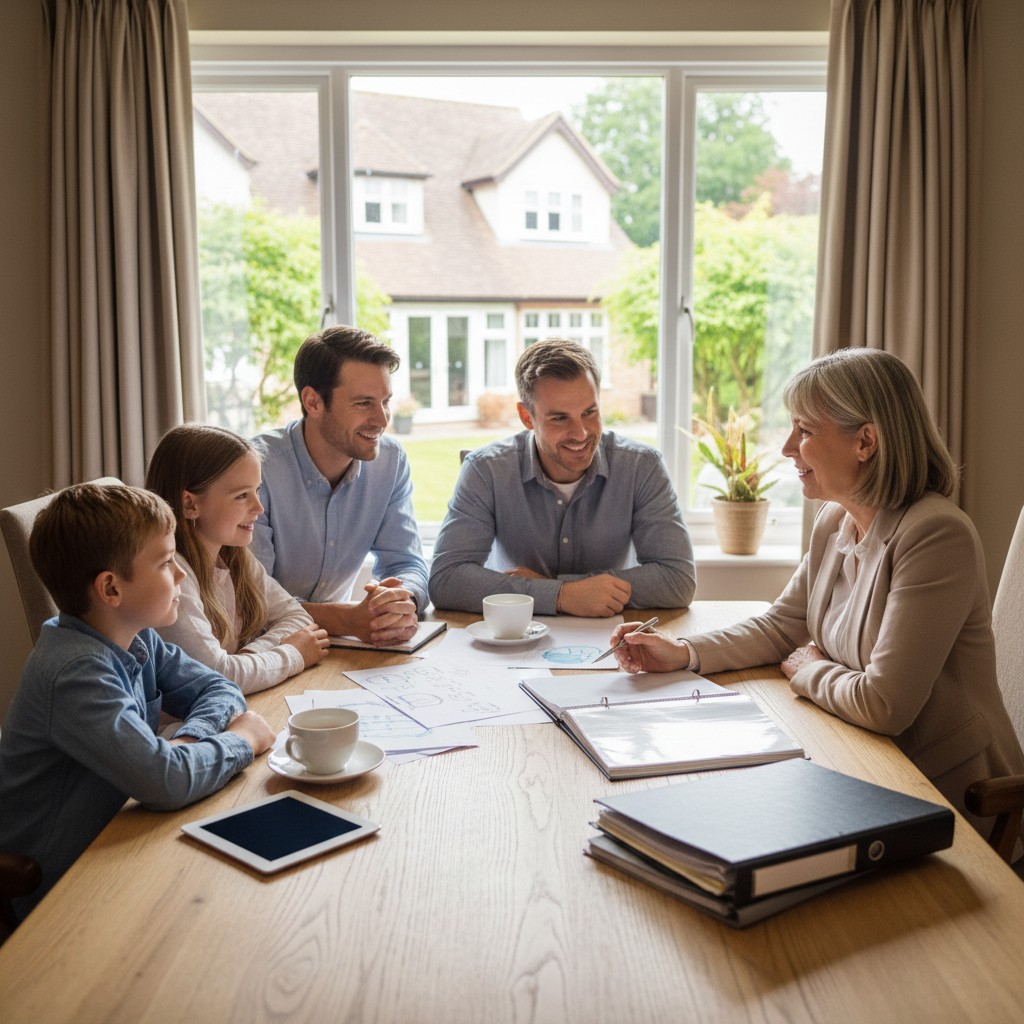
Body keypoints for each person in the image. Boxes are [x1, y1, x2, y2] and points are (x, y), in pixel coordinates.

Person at [610, 348, 1024, 836]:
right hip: (865, 761)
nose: (787, 447)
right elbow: (783, 623)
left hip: (950, 794)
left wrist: (809, 670)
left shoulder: (936, 535)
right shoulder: (836, 520)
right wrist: (682, 652)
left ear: (865, 441)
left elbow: (885, 705)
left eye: (804, 431)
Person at [0, 484, 275, 920]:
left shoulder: (136, 634)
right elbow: (163, 782)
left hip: (119, 838)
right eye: (166, 563)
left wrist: (187, 740)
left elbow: (218, 689)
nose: (181, 574)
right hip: (60, 886)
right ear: (111, 588)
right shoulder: (76, 673)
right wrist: (242, 739)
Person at [428, 338, 696, 617]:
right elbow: (447, 580)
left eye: (589, 412)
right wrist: (564, 596)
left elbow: (677, 580)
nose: (581, 433)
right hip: (514, 641)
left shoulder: (642, 466)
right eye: (560, 418)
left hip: (610, 643)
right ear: (526, 417)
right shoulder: (486, 470)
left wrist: (554, 588)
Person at [252, 325, 428, 646]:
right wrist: (347, 619)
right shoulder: (255, 468)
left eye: (385, 401)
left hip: (338, 650)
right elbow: (249, 600)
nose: (381, 419)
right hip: (264, 651)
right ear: (313, 402)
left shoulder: (390, 462)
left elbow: (407, 562)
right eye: (363, 404)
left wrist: (402, 599)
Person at [146, 424, 330, 694]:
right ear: (190, 504)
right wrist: (292, 654)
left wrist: (247, 659)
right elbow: (218, 677)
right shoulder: (173, 577)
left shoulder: (234, 556)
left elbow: (297, 616)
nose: (259, 507)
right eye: (242, 496)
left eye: (256, 490)